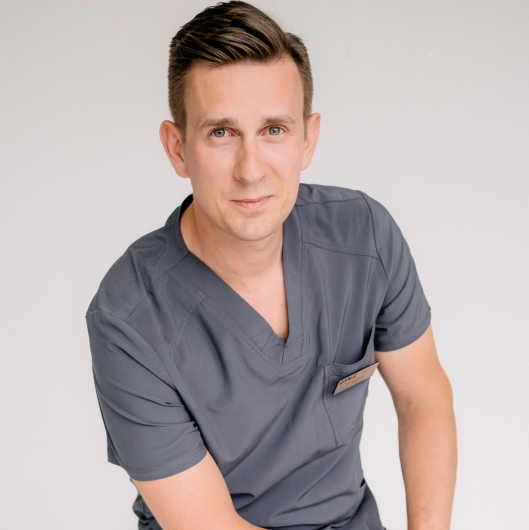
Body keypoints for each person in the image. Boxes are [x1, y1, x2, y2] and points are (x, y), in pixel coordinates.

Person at [86, 2, 457, 529]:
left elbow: (424, 399)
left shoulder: (364, 237)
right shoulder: (129, 319)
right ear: (177, 148)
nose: (251, 169)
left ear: (308, 139)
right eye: (221, 132)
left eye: (274, 130)